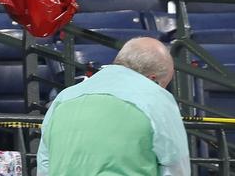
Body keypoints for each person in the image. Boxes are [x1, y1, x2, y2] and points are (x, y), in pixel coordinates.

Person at [37, 37, 190, 176]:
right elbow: (176, 166)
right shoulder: (157, 97)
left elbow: (44, 164)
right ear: (153, 79)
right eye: (163, 85)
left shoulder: (63, 98)